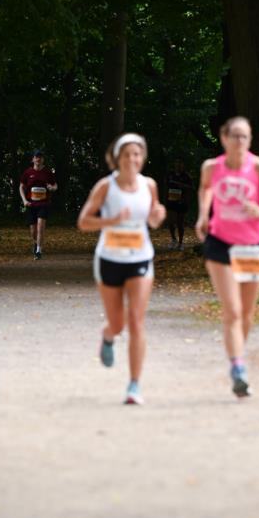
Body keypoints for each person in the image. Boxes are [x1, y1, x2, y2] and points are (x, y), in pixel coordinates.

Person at [195, 116, 259, 397]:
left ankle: (238, 356)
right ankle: (238, 368)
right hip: (220, 244)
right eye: (235, 135)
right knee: (232, 311)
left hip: (253, 245)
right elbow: (205, 188)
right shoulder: (212, 167)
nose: (240, 141)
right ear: (223, 138)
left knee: (246, 314)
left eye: (245, 136)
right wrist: (203, 215)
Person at [77, 133, 166, 405]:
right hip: (109, 259)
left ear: (143, 158)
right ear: (117, 158)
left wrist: (157, 216)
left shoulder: (149, 185)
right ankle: (107, 335)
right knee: (118, 323)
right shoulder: (106, 187)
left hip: (139, 258)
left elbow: (153, 218)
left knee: (137, 322)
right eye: (127, 154)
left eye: (137, 154)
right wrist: (112, 220)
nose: (132, 159)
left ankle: (134, 385)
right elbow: (83, 222)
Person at [19, 149, 57, 259]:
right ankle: (35, 244)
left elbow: (55, 185)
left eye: (40, 157)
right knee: (33, 231)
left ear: (43, 159)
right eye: (36, 157)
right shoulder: (28, 173)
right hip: (31, 205)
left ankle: (39, 251)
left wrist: (52, 188)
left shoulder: (48, 172)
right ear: (33, 159)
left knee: (41, 227)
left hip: (43, 204)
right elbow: (21, 187)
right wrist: (24, 201)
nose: (38, 159)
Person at [165, 160, 194, 249]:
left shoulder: (186, 177)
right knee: (170, 222)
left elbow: (191, 188)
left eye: (180, 164)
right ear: (174, 165)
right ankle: (174, 240)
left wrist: (184, 188)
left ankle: (181, 243)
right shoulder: (170, 175)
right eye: (176, 163)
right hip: (171, 200)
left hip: (182, 201)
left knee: (179, 223)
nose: (178, 165)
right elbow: (166, 187)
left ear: (183, 165)